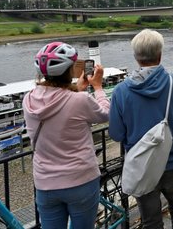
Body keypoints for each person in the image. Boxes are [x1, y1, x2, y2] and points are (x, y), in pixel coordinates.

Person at [109, 29, 173, 229]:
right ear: (160, 54)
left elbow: (117, 134)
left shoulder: (121, 91)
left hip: (142, 167)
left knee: (151, 221)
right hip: (172, 161)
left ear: (136, 57)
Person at [23, 42, 110, 229]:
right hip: (81, 180)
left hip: (45, 183)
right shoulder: (80, 100)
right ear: (70, 70)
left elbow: (56, 103)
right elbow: (105, 114)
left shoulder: (28, 99)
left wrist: (78, 89)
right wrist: (98, 88)